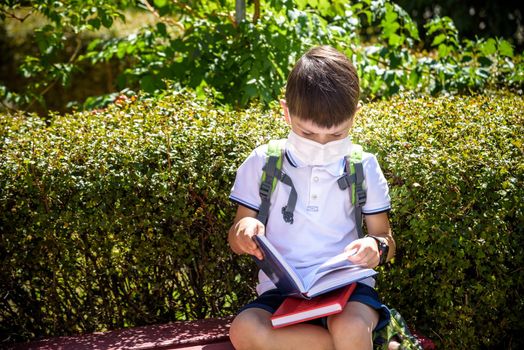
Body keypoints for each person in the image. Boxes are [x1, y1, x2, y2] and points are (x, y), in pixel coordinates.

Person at [227, 45, 396, 350]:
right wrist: (244, 232)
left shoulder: (362, 165)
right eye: (307, 134)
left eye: (336, 136)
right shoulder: (264, 162)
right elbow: (237, 233)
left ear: (355, 117)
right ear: (286, 113)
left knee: (350, 328)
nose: (321, 145)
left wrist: (376, 247)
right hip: (281, 292)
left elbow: (385, 237)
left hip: (347, 288)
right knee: (244, 330)